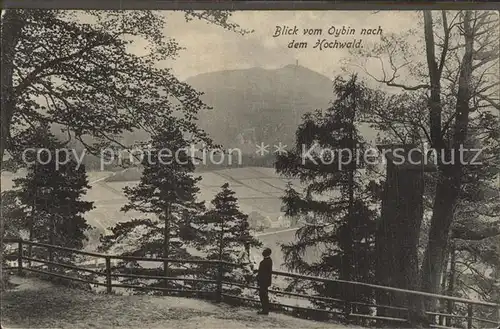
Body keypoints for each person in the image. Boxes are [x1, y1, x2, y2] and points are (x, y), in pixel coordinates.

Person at [256, 247, 273, 315]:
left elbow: (262, 273)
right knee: (264, 295)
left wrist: (259, 279)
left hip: (263, 281)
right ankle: (265, 309)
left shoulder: (264, 262)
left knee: (263, 295)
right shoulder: (269, 261)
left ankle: (265, 310)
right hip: (265, 281)